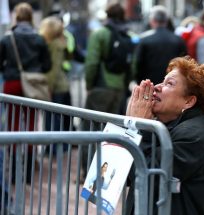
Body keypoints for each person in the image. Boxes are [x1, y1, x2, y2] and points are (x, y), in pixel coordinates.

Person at [127, 56, 204, 215]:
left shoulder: (192, 136)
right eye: (163, 81)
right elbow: (128, 174)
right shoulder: (166, 125)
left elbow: (148, 176)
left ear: (188, 102)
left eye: (169, 84)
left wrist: (141, 127)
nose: (157, 87)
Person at [0, 2, 51, 183]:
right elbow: (48, 65)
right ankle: (28, 173)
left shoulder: (7, 39)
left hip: (12, 84)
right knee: (31, 126)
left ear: (16, 17)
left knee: (12, 127)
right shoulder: (39, 39)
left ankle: (14, 173)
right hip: (33, 85)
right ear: (30, 17)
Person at [82, 2, 132, 179]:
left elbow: (92, 63)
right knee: (112, 134)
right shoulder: (128, 35)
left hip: (100, 88)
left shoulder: (100, 34)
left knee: (91, 130)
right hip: (118, 90)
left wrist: (89, 85)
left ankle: (87, 173)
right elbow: (131, 67)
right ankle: (106, 173)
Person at [39, 16, 72, 152]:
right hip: (62, 85)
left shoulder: (53, 44)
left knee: (51, 120)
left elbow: (53, 69)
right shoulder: (61, 42)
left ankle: (53, 148)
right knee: (58, 119)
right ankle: (60, 147)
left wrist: (48, 88)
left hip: (56, 87)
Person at [134, 5, 186, 85]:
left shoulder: (144, 39)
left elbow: (137, 65)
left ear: (152, 20)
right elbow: (184, 64)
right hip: (171, 86)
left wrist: (139, 82)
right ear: (166, 20)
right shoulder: (178, 40)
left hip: (149, 86)